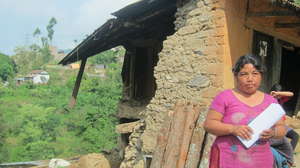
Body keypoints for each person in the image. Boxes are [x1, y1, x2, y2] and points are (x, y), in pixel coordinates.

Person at [204, 54, 286, 168]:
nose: (250, 79)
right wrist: (233, 129)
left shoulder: (270, 101)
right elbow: (209, 124)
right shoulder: (224, 97)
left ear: (261, 76)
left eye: (255, 73)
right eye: (244, 74)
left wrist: (272, 133)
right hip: (228, 159)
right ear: (236, 76)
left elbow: (282, 128)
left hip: (261, 161)